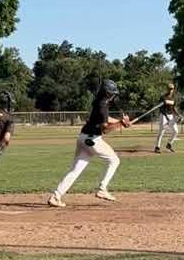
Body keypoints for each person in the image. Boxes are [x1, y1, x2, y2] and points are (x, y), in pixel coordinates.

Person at [47, 79, 131, 208]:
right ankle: (102, 189)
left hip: (83, 138)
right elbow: (105, 129)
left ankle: (56, 196)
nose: (114, 95)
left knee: (75, 170)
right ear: (108, 93)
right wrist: (121, 124)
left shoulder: (98, 102)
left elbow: (106, 119)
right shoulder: (103, 105)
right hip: (93, 140)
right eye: (113, 93)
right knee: (114, 160)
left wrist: (121, 122)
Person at [154, 83, 182, 154]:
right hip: (163, 115)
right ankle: (157, 147)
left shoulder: (173, 98)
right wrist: (166, 116)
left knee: (175, 131)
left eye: (172, 89)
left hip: (171, 116)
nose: (170, 90)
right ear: (167, 89)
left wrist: (178, 115)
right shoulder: (163, 97)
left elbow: (174, 108)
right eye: (169, 89)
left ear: (173, 89)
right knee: (161, 131)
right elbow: (160, 108)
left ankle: (169, 145)